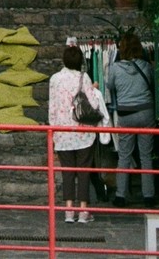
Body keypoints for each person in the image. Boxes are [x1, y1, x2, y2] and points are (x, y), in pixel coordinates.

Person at [48, 41, 111, 224]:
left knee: (67, 172)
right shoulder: (84, 78)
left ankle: (68, 210)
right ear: (80, 61)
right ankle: (83, 211)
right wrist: (95, 90)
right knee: (83, 171)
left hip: (62, 131)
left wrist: (52, 130)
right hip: (83, 132)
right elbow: (93, 104)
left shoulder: (54, 79)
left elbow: (52, 107)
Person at [107, 31, 156, 207]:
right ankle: (148, 196)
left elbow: (109, 85)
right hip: (146, 113)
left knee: (124, 155)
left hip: (126, 114)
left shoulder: (114, 68)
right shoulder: (146, 66)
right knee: (146, 155)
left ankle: (121, 195)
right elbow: (152, 82)